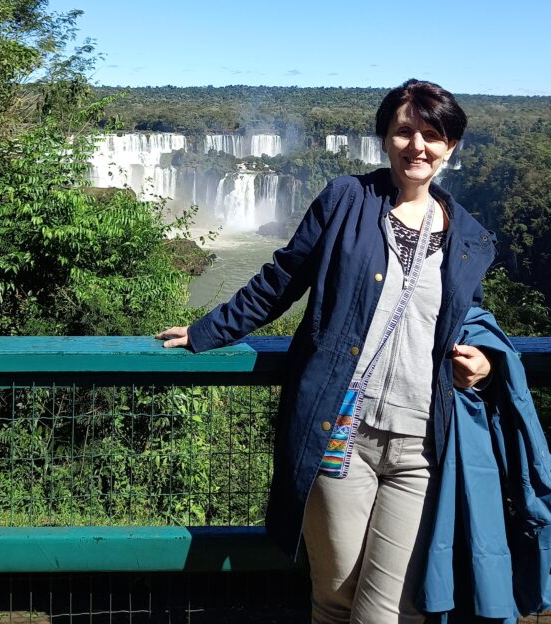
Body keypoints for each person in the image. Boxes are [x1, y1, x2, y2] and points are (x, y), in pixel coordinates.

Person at [156, 79, 496, 624]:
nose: (417, 146)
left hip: (421, 444)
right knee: (334, 599)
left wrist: (481, 359)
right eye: (404, 131)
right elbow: (281, 279)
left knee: (390, 609)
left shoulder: (469, 237)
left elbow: (468, 319)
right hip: (340, 430)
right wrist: (206, 332)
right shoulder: (345, 200)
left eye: (432, 135)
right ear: (384, 138)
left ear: (450, 147)